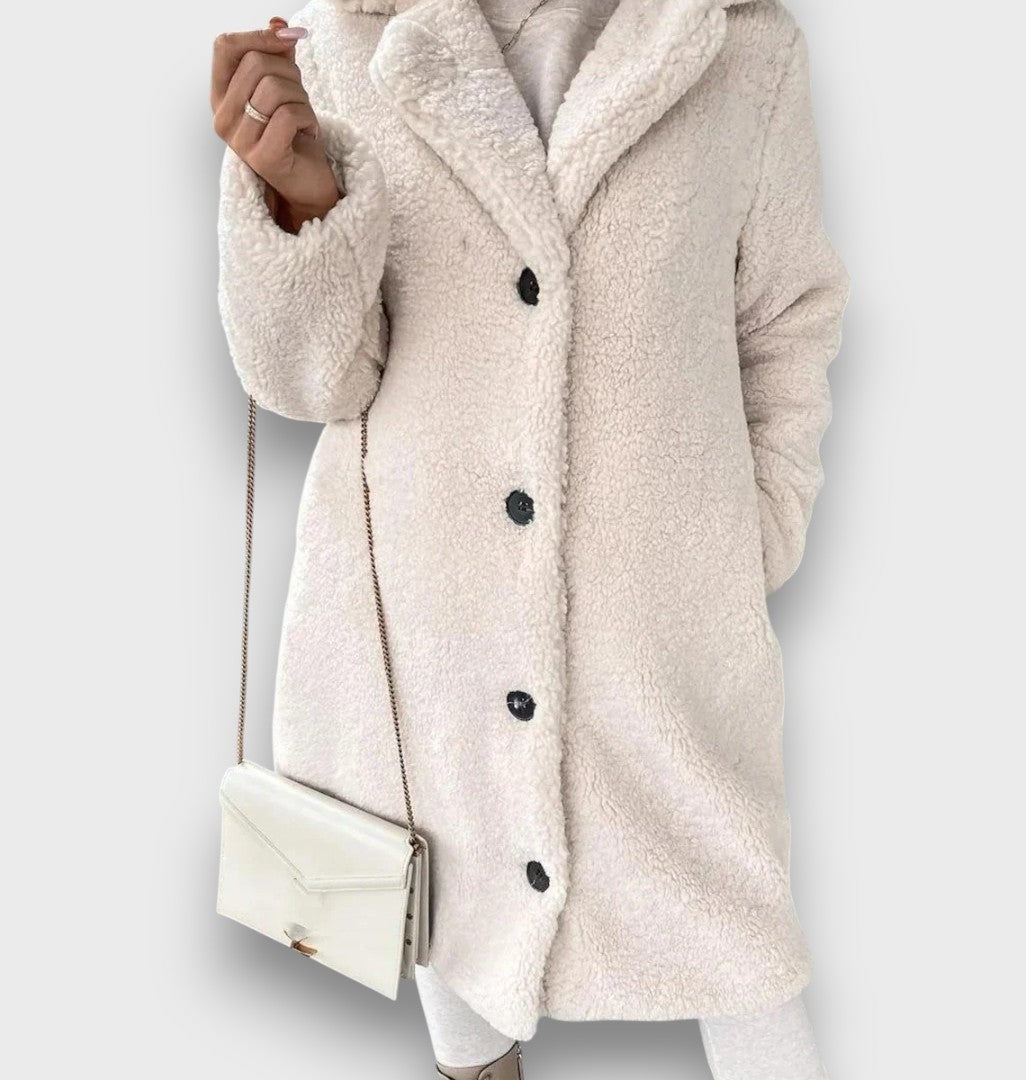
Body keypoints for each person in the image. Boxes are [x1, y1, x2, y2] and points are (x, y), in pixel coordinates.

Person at [209, 2, 849, 1077]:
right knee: (447, 899)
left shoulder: (741, 45)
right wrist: (299, 200)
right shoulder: (349, 42)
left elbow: (785, 316)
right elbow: (314, 382)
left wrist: (750, 530)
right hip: (427, 611)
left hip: (658, 636)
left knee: (738, 941)